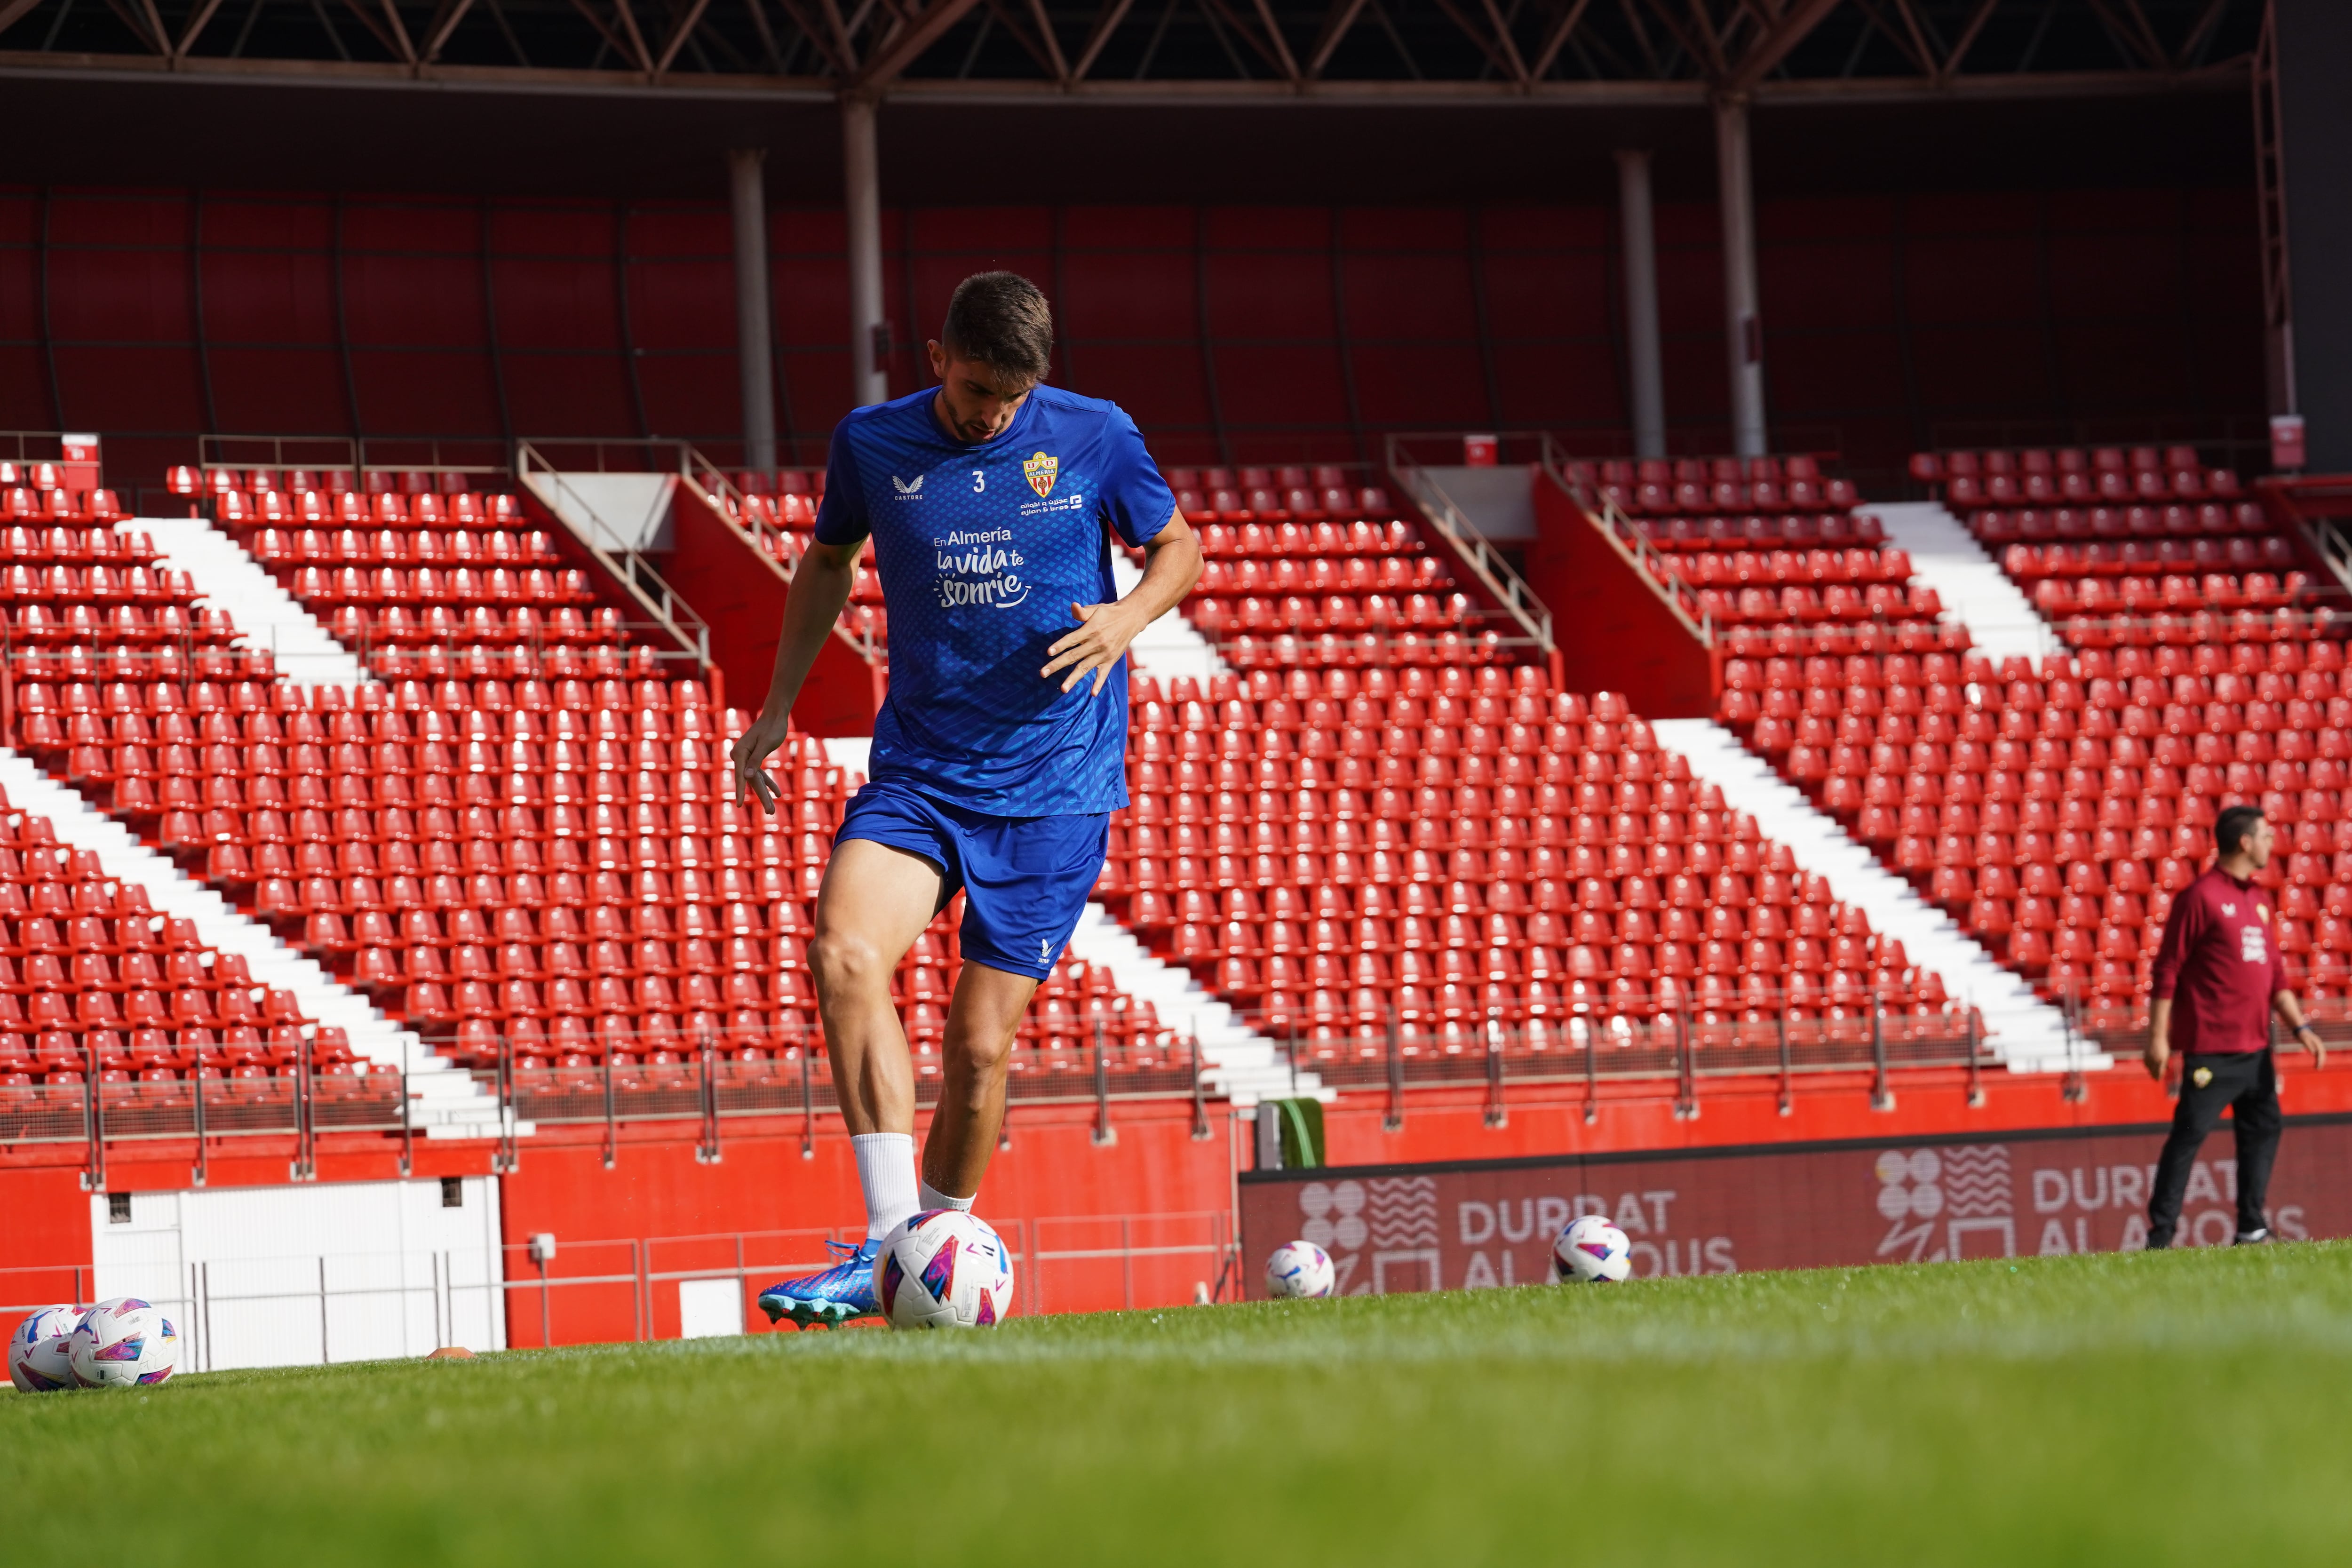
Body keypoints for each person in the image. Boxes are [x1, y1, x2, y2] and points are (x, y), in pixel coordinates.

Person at [730, 272, 1201, 1324]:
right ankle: (892, 1245)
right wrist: (777, 704)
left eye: (1014, 396)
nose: (994, 412)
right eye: (980, 386)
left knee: (979, 1047)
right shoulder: (872, 444)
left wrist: (1126, 622)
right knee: (844, 951)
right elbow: (826, 561)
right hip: (922, 776)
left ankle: (931, 1239)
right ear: (937, 355)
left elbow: (1180, 549)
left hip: (1054, 786)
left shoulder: (1094, 434)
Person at [2142, 804, 2328, 1249]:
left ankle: (2251, 1227)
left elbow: (2275, 978)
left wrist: (2301, 1028)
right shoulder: (2200, 897)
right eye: (2265, 835)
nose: (2271, 842)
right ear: (2244, 842)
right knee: (2188, 1138)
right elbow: (2167, 968)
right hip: (2211, 1051)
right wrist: (2157, 1038)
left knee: (2264, 1130)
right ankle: (2161, 1236)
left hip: (2257, 1051)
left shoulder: (2259, 902)